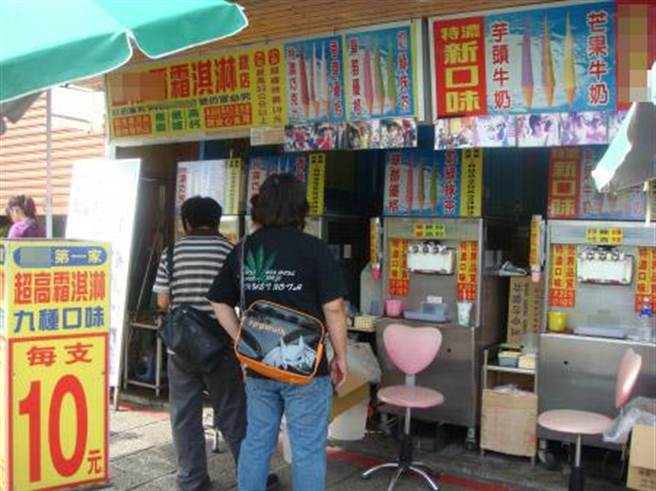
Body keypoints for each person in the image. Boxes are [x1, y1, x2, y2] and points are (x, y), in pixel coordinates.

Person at [208, 173, 349, 491]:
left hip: (260, 364)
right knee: (307, 449)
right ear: (301, 207)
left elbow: (218, 301)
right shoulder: (314, 249)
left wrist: (243, 342)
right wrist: (341, 357)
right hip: (307, 367)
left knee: (257, 442)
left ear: (262, 206)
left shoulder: (244, 248)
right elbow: (334, 309)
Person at [153, 196, 246, 491]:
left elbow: (163, 301)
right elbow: (242, 300)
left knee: (184, 414)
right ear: (217, 221)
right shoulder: (231, 252)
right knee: (232, 412)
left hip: (181, 348)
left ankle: (192, 479)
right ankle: (250, 475)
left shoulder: (171, 253)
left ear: (187, 222)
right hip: (221, 346)